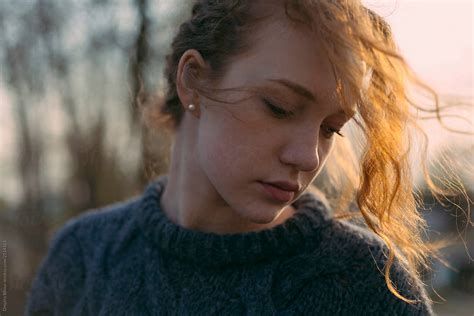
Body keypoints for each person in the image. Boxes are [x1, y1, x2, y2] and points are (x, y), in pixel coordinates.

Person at [25, 0, 454, 315]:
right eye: (279, 106)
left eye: (331, 128)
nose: (307, 157)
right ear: (193, 81)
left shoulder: (367, 285)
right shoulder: (82, 256)